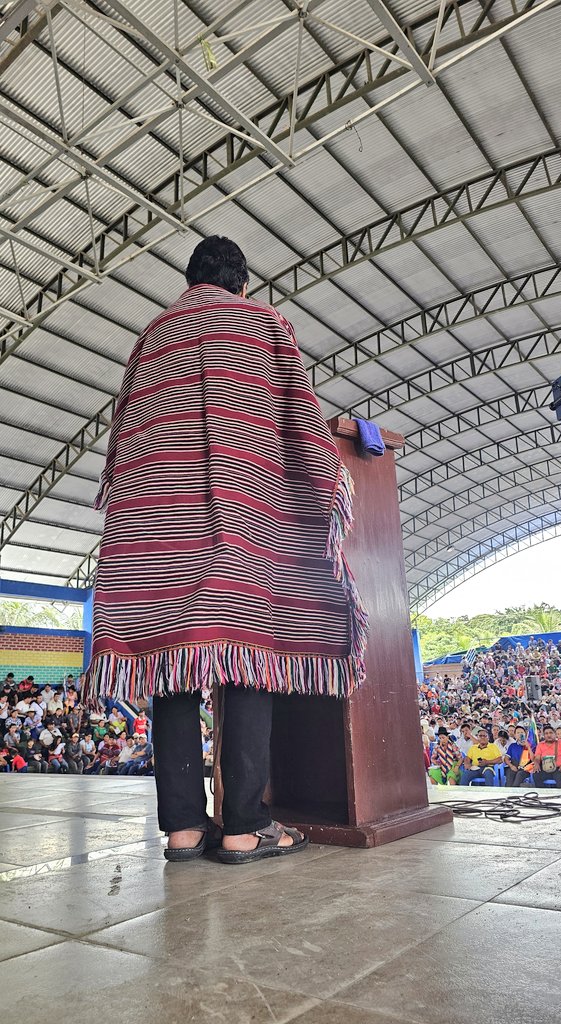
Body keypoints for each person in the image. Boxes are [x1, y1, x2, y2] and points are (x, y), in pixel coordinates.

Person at [86, 235, 367, 863]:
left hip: (157, 536)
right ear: (242, 283)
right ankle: (243, 828)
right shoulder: (265, 324)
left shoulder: (151, 341)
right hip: (244, 520)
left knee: (172, 668)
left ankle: (184, 830)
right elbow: (303, 421)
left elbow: (126, 435)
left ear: (189, 281)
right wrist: (330, 479)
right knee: (246, 659)